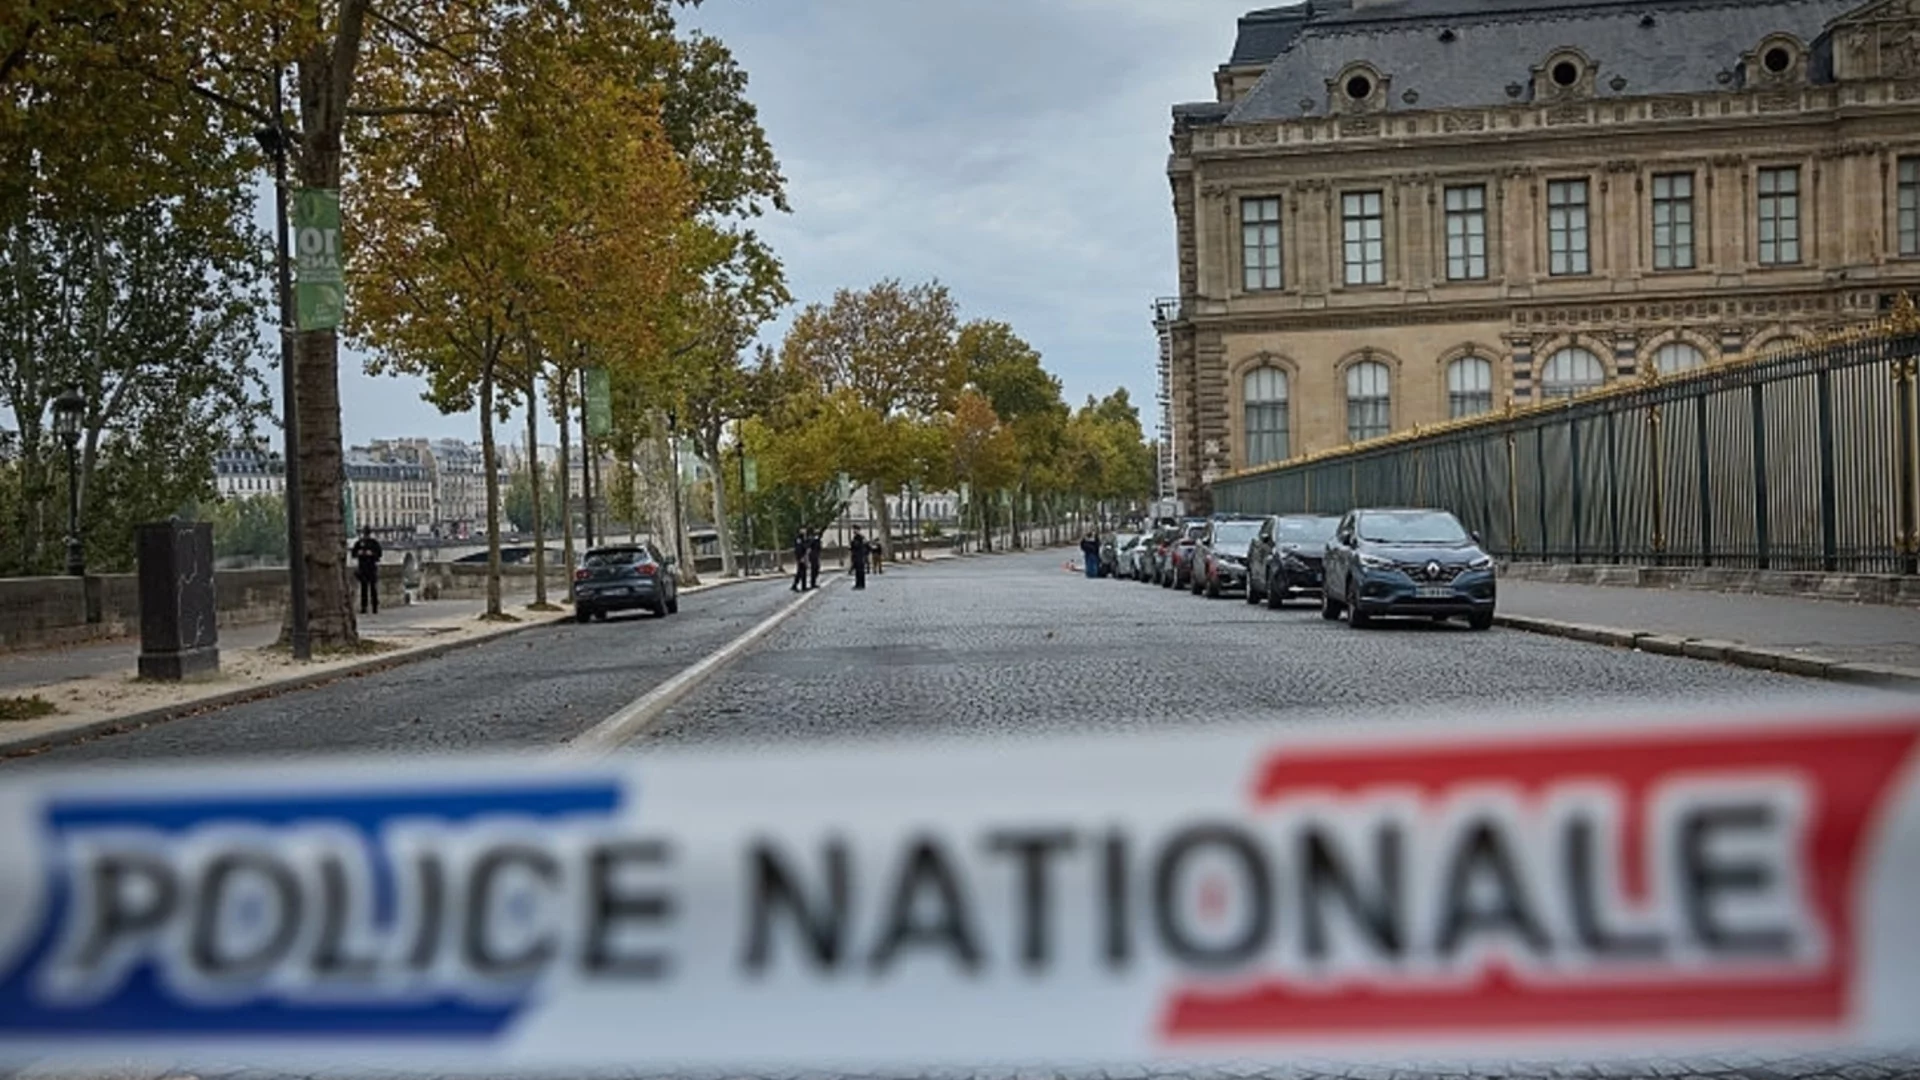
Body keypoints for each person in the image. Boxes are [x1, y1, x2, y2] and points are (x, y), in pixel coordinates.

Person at [351, 527, 384, 614]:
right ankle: (364, 607)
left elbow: (379, 554)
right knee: (364, 589)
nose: (365, 536)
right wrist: (359, 553)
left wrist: (372, 554)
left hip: (371, 567)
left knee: (372, 588)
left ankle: (374, 606)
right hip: (363, 567)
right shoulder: (360, 543)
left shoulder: (373, 543)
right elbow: (353, 553)